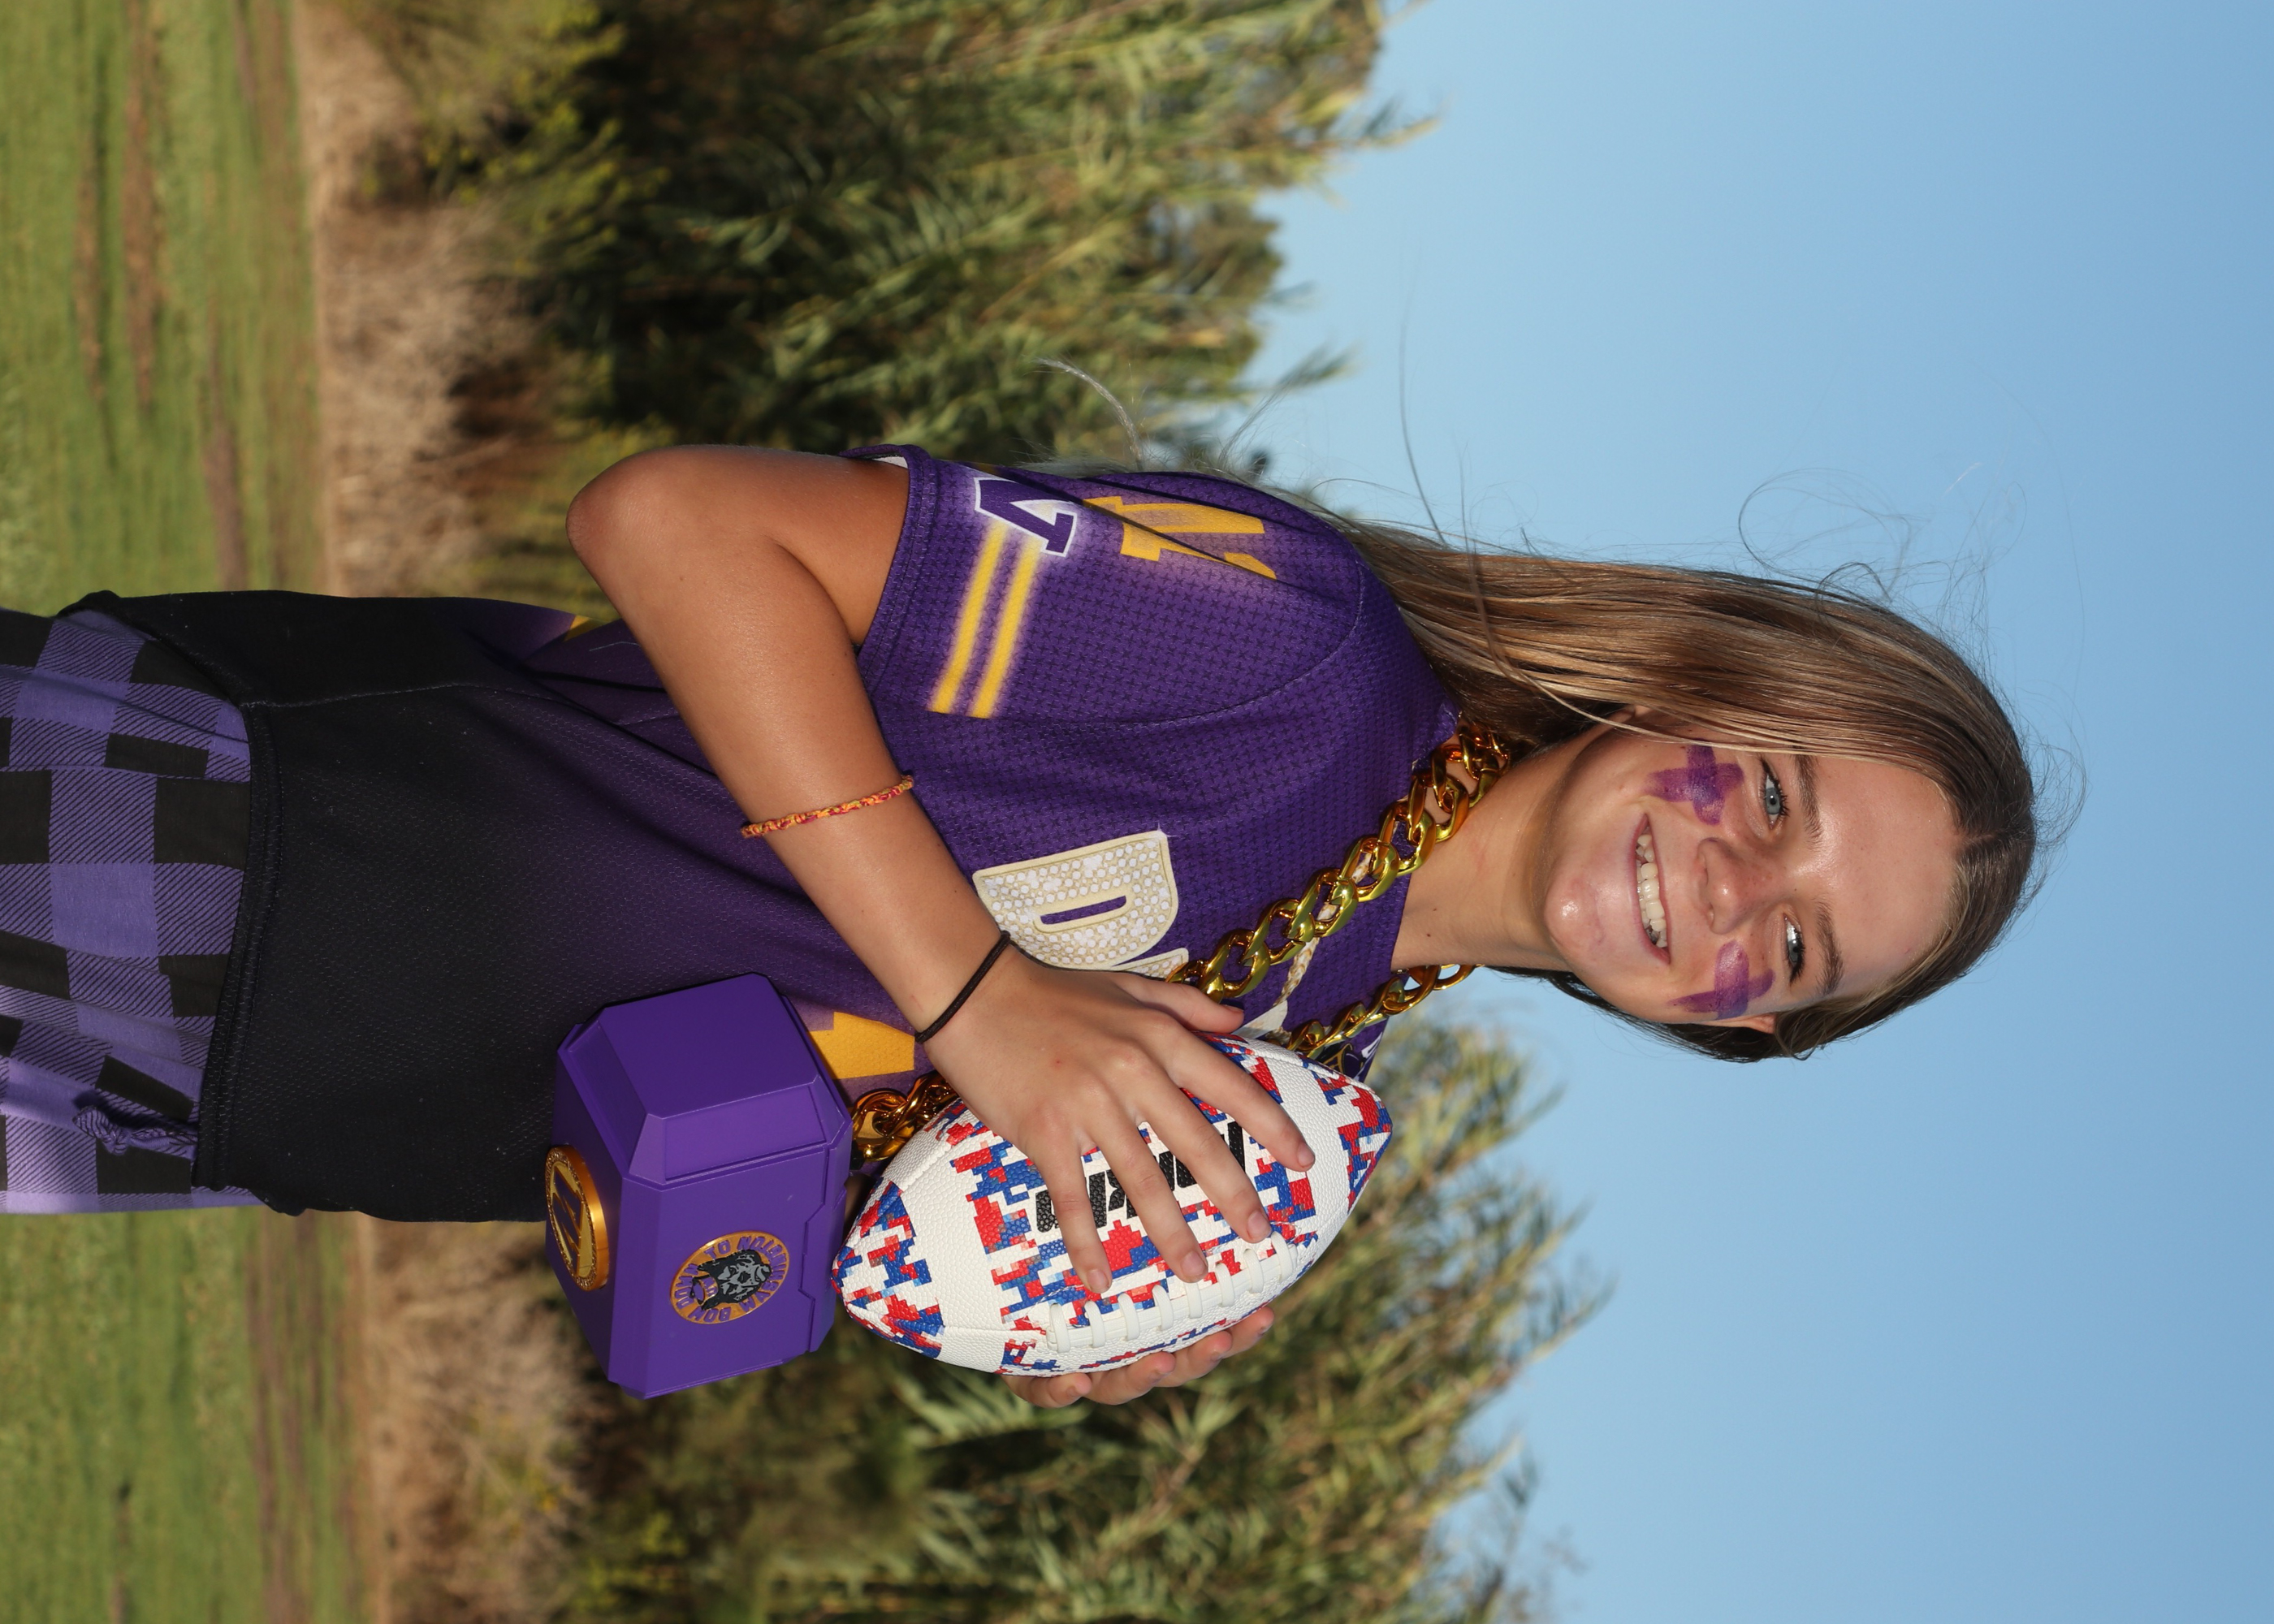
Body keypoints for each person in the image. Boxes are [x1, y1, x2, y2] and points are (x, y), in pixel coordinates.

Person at [0, 443, 2039, 1407]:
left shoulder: (1291, 1089)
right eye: (1775, 796)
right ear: (1699, 687)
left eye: (1791, 952)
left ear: (1736, 1026)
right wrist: (982, 994)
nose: (1733, 886)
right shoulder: (1294, 656)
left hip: (265, 1111)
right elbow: (678, 523)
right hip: (243, 846)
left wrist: (1020, 1304)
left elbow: (801, 1124)